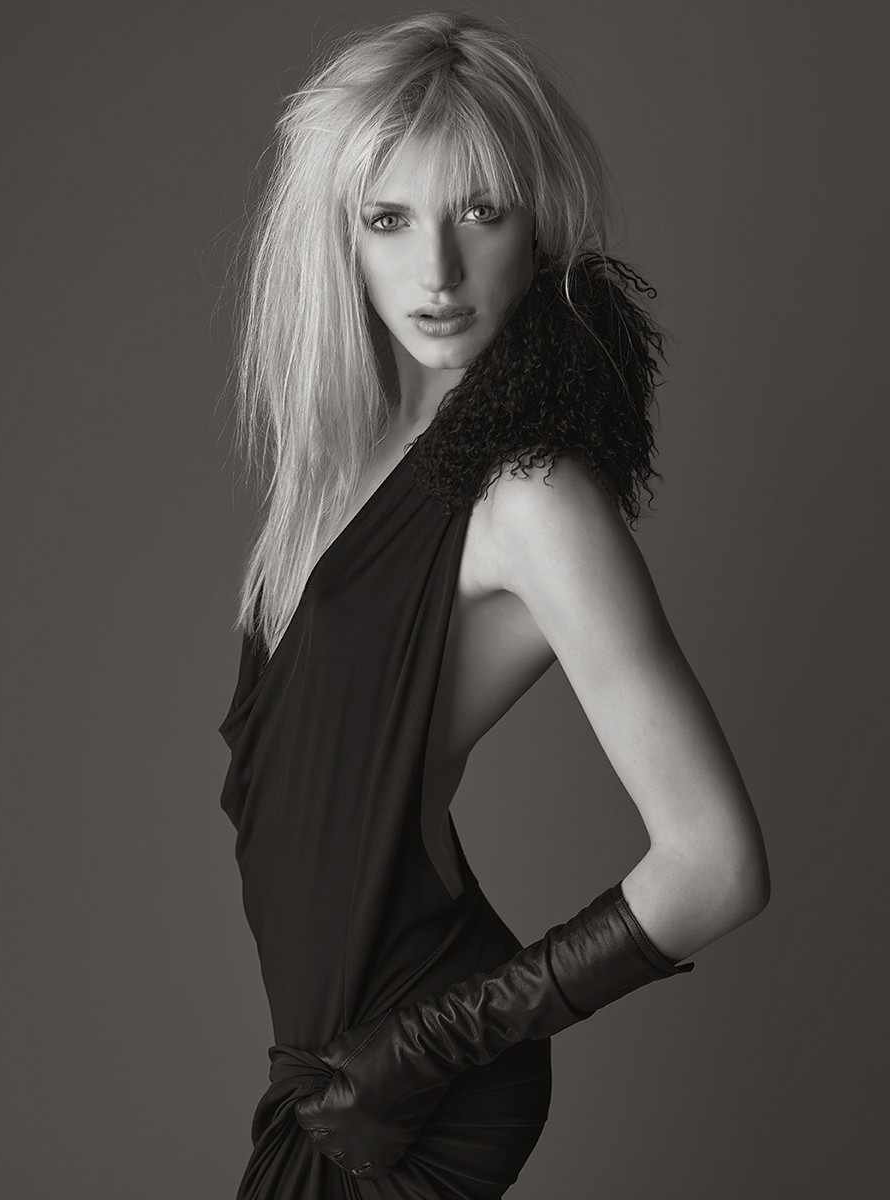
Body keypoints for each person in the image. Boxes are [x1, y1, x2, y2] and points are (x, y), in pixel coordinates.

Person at [217, 11, 770, 1198]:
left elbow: (716, 862)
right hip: (327, 1070)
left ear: (541, 224)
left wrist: (422, 1052)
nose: (436, 272)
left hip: (412, 1075)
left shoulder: (531, 495)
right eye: (388, 218)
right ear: (338, 235)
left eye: (480, 212)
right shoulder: (349, 460)